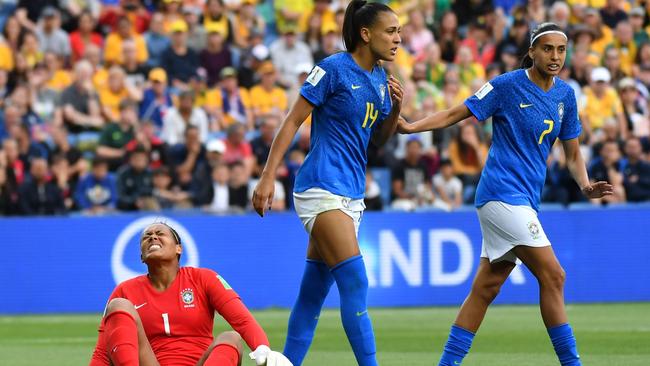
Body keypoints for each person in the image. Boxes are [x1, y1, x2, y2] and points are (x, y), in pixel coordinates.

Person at [398, 23, 613, 366]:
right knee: (554, 276)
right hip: (501, 194)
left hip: (524, 199)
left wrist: (586, 185)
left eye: (560, 49)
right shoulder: (506, 86)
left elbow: (572, 154)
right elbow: (457, 112)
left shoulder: (566, 96)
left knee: (486, 288)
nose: (555, 56)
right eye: (547, 49)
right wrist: (411, 127)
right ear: (531, 51)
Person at [252, 2, 403, 365]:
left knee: (313, 293)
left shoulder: (382, 79)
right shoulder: (332, 69)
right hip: (321, 186)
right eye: (391, 31)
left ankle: (287, 362)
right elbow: (292, 121)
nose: (398, 39)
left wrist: (396, 110)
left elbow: (378, 141)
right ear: (365, 34)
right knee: (355, 282)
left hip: (351, 193)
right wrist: (268, 175)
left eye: (399, 31)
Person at [88, 222, 291, 366]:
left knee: (232, 338)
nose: (152, 237)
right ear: (142, 256)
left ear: (179, 248)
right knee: (119, 305)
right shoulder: (125, 290)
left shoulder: (204, 278)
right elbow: (102, 352)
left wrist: (263, 348)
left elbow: (242, 320)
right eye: (146, 237)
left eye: (160, 233)